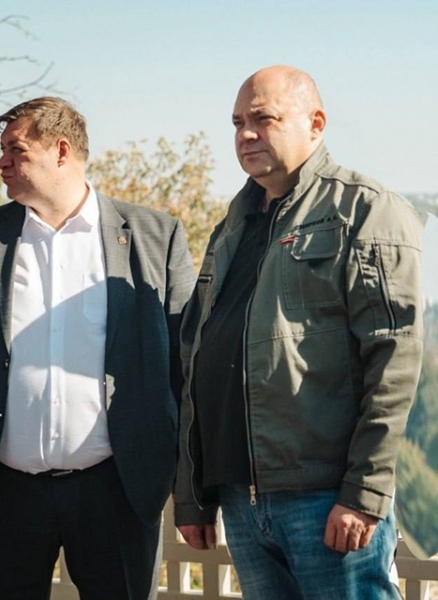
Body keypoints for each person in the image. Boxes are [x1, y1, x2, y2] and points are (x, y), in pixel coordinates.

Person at [0, 96, 195, 600]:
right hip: (1, 492)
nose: (1, 162)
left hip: (118, 490)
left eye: (15, 150)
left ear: (61, 151)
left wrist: (172, 465)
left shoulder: (156, 235)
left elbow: (185, 363)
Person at [173, 65, 425, 599]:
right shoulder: (232, 224)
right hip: (241, 498)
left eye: (263, 119)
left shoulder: (364, 209)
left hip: (327, 497)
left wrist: (363, 492)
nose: (246, 134)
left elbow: (395, 359)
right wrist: (193, 494)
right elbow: (197, 355)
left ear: (316, 123)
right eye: (238, 123)